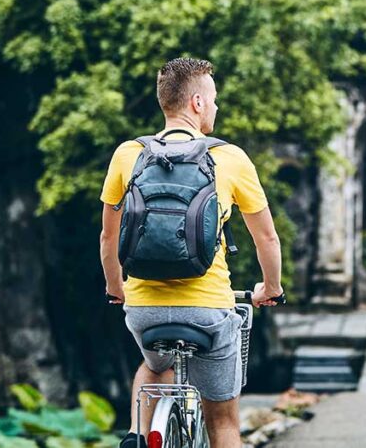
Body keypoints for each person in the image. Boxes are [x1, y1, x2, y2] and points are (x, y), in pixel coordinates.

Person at [98, 57, 284, 448]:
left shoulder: (127, 154)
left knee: (155, 364)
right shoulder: (229, 158)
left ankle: (137, 433)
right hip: (208, 310)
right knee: (224, 423)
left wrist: (117, 288)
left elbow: (108, 239)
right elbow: (266, 238)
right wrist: (270, 288)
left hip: (144, 310)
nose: (215, 107)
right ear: (197, 103)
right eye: (213, 99)